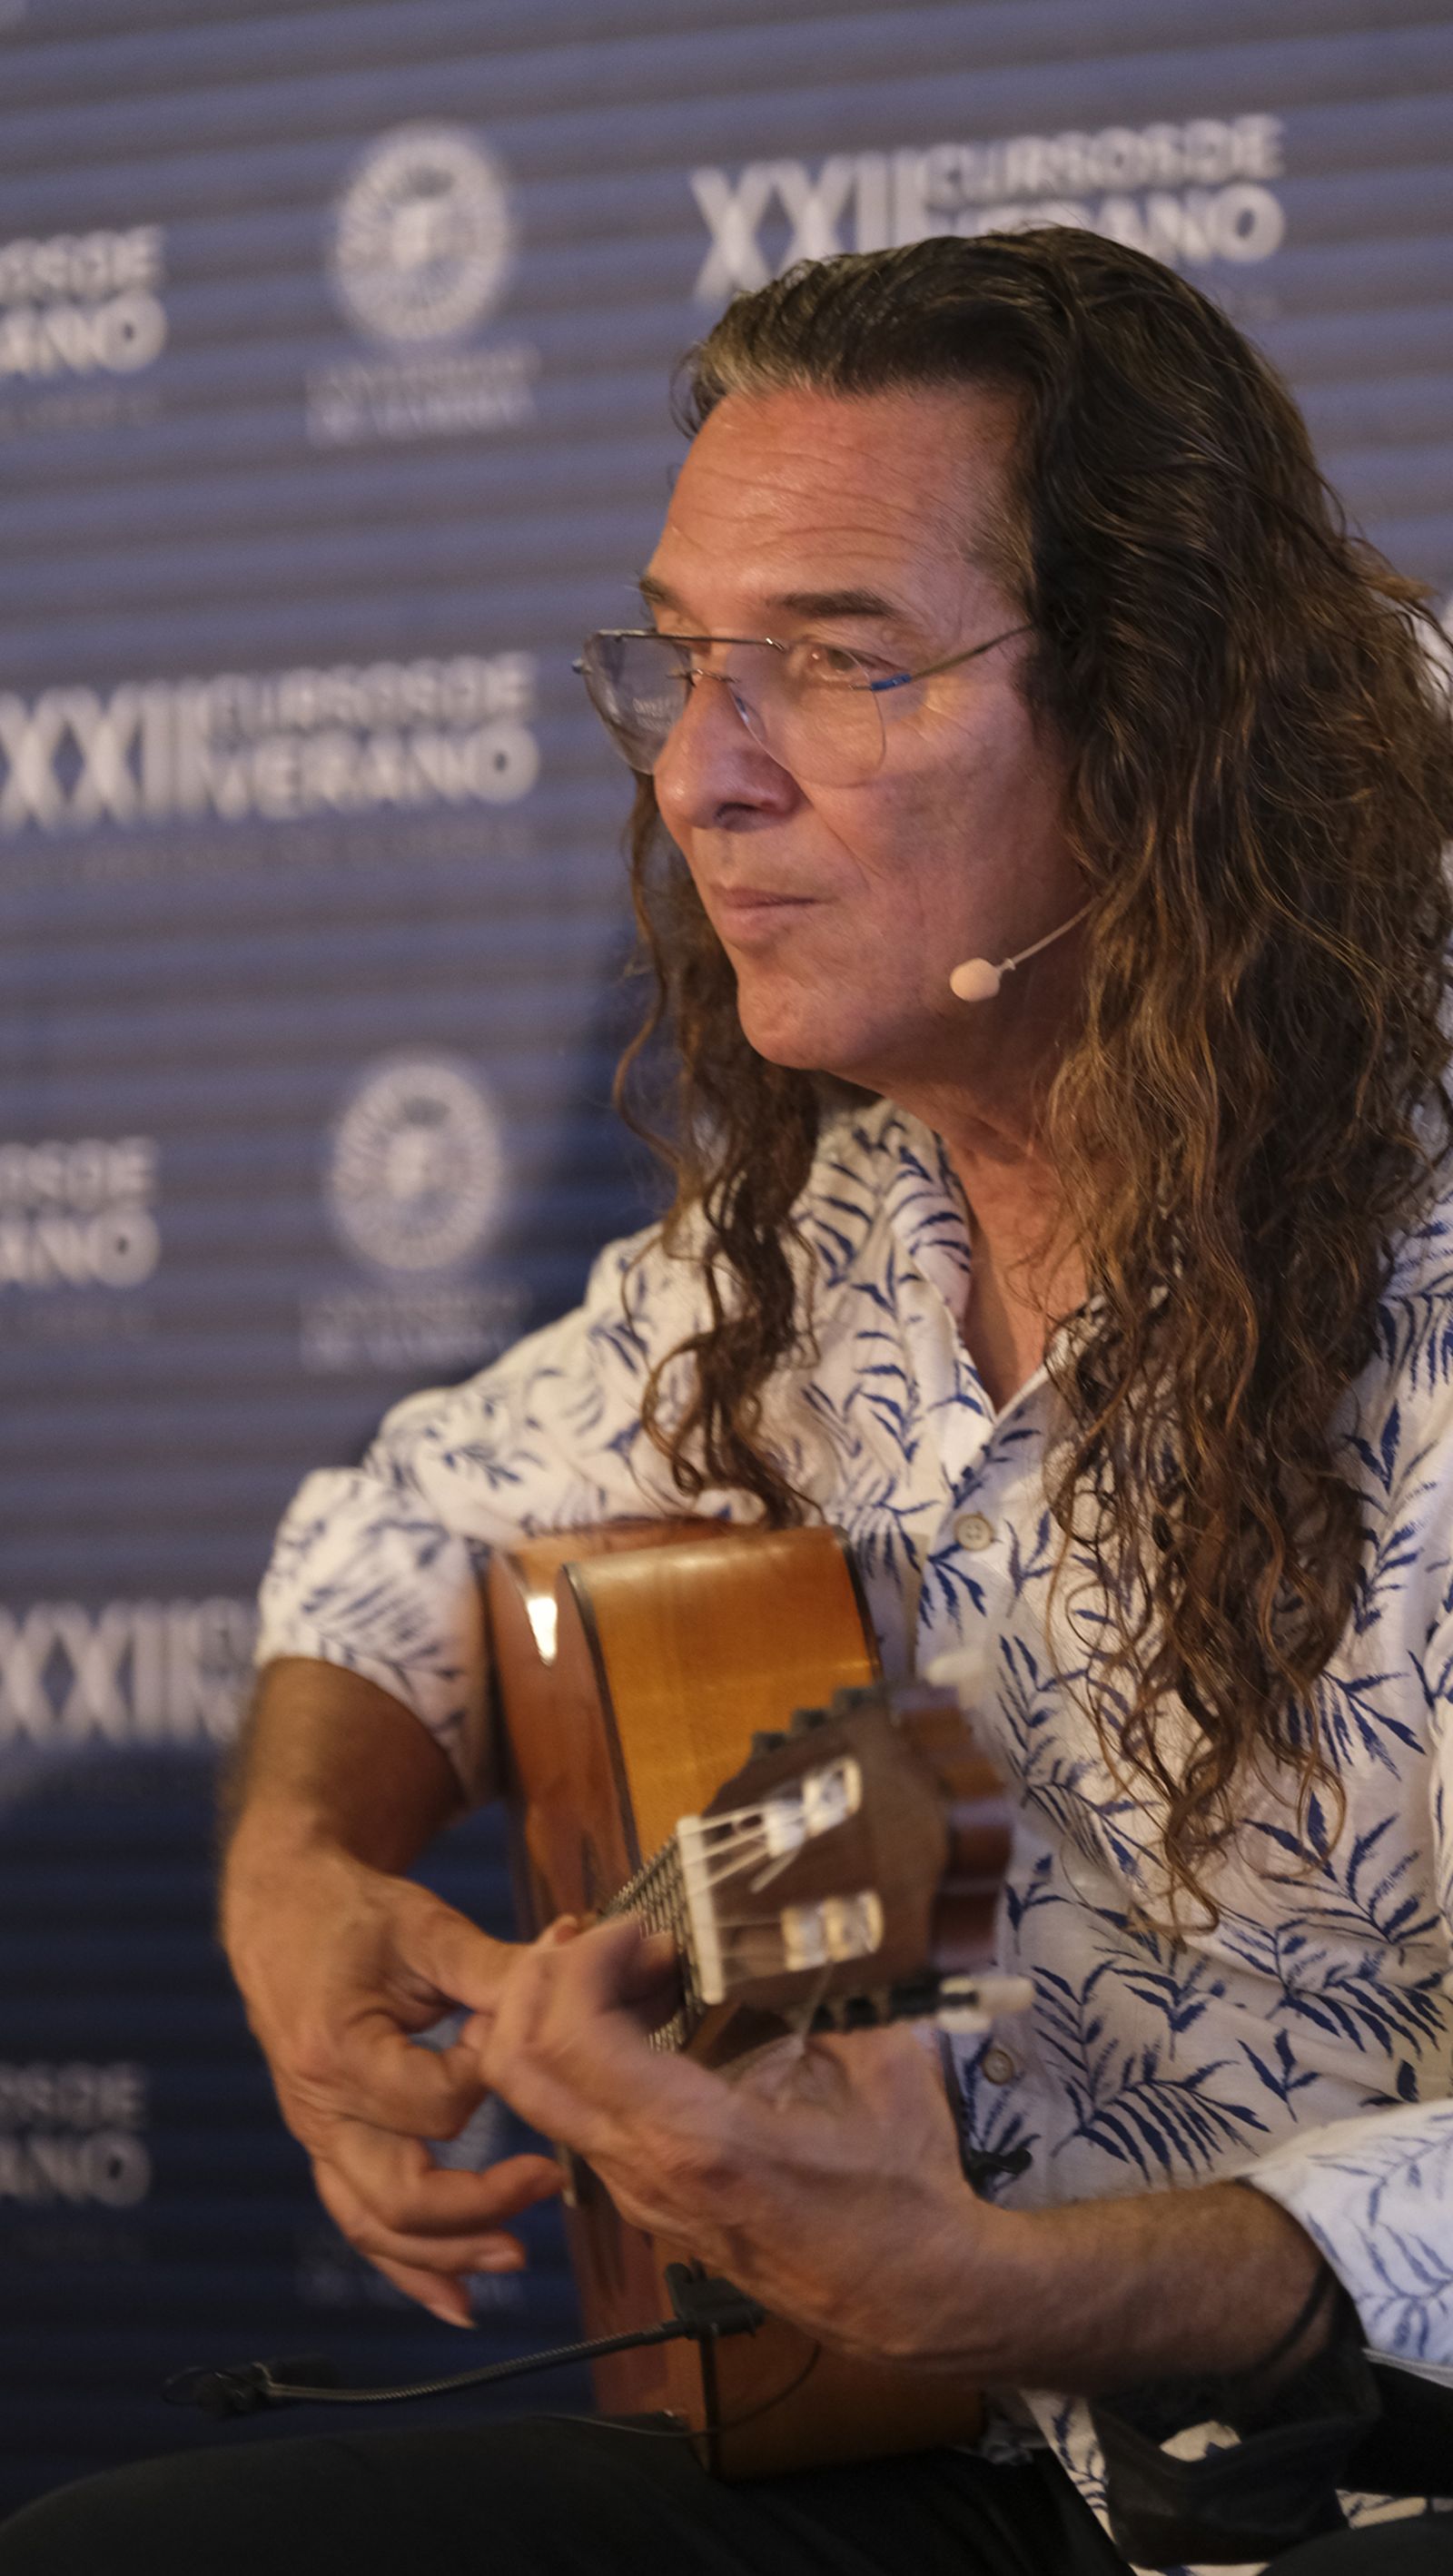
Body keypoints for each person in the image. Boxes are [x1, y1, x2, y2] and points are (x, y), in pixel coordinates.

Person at [6, 228, 1453, 2575]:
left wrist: (989, 2283)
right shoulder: (849, 1217)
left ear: (1160, 714)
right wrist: (301, 1878)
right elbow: (417, 1528)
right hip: (971, 2455)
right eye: (686, 666)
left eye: (835, 668)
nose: (703, 779)